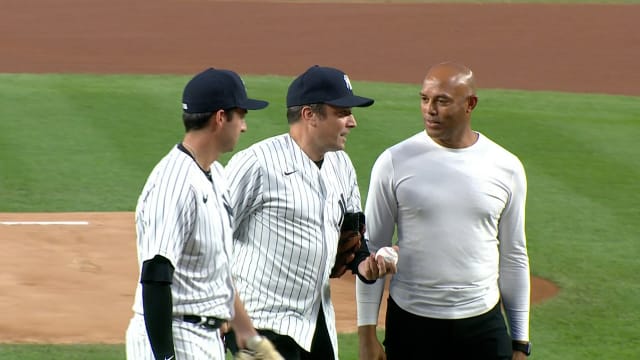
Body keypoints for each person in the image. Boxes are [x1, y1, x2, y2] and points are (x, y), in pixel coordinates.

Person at [356, 62, 531, 360]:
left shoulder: (506, 167)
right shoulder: (394, 162)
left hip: (482, 325)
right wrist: (367, 335)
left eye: (442, 101)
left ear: (470, 104)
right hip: (412, 324)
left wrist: (520, 342)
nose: (430, 109)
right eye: (425, 99)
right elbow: (373, 246)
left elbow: (514, 255)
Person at [224, 65, 397, 360]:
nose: (352, 122)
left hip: (317, 325)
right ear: (310, 115)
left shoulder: (341, 165)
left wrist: (368, 266)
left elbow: (352, 241)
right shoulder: (255, 165)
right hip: (263, 324)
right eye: (342, 112)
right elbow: (209, 241)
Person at [125, 68, 282, 360]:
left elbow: (218, 270)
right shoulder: (173, 183)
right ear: (221, 118)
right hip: (173, 336)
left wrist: (248, 335)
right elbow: (156, 274)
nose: (244, 127)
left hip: (206, 338)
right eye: (241, 116)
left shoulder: (217, 176)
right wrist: (165, 357)